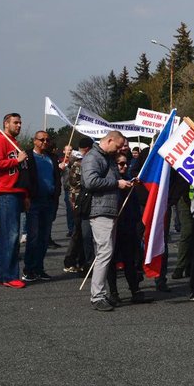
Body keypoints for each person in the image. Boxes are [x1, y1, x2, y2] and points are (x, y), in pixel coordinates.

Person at [82, 130, 133, 311]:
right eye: (118, 146)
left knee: (105, 253)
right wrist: (117, 183)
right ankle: (97, 296)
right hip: (100, 210)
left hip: (109, 210)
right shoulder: (93, 157)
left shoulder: (106, 158)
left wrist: (126, 181)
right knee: (105, 252)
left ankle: (101, 293)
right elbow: (90, 182)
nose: (119, 150)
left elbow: (113, 179)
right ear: (110, 140)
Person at [0, 114, 30, 288]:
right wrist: (16, 160)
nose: (19, 125)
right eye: (16, 122)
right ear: (6, 124)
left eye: (20, 122)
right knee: (12, 236)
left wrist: (25, 194)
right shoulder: (1, 141)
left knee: (7, 237)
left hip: (15, 192)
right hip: (5, 193)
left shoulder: (14, 142)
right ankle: (10, 276)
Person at [107, 152, 151, 304]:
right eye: (121, 164)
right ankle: (113, 293)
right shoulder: (110, 182)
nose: (125, 166)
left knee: (129, 260)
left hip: (129, 225)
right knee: (111, 261)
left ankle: (135, 290)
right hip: (114, 226)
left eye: (126, 163)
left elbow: (137, 203)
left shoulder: (130, 181)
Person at [21, 131, 55, 282]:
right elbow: (24, 178)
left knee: (44, 237)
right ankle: (29, 269)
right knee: (33, 237)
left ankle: (39, 268)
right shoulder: (28, 157)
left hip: (49, 201)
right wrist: (26, 197)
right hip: (34, 201)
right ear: (35, 141)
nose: (45, 142)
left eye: (47, 140)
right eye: (42, 140)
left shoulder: (51, 158)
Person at [63, 137, 94, 273]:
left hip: (89, 203)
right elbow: (74, 184)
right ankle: (72, 261)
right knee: (79, 233)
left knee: (84, 234)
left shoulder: (90, 162)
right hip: (80, 204)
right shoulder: (79, 164)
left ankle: (82, 261)